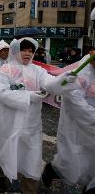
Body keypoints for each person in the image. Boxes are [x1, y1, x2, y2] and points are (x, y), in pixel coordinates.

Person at [0, 38, 54, 193]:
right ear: (16, 50)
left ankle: (28, 190)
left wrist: (65, 80)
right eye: (24, 49)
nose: (28, 53)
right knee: (5, 152)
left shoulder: (37, 70)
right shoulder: (6, 70)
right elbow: (1, 93)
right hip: (8, 123)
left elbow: (50, 82)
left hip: (31, 126)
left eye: (31, 51)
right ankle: (0, 177)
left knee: (31, 160)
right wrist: (30, 97)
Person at [42, 54, 95, 194]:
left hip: (93, 128)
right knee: (71, 162)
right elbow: (76, 103)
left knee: (91, 167)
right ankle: (52, 170)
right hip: (78, 127)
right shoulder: (79, 74)